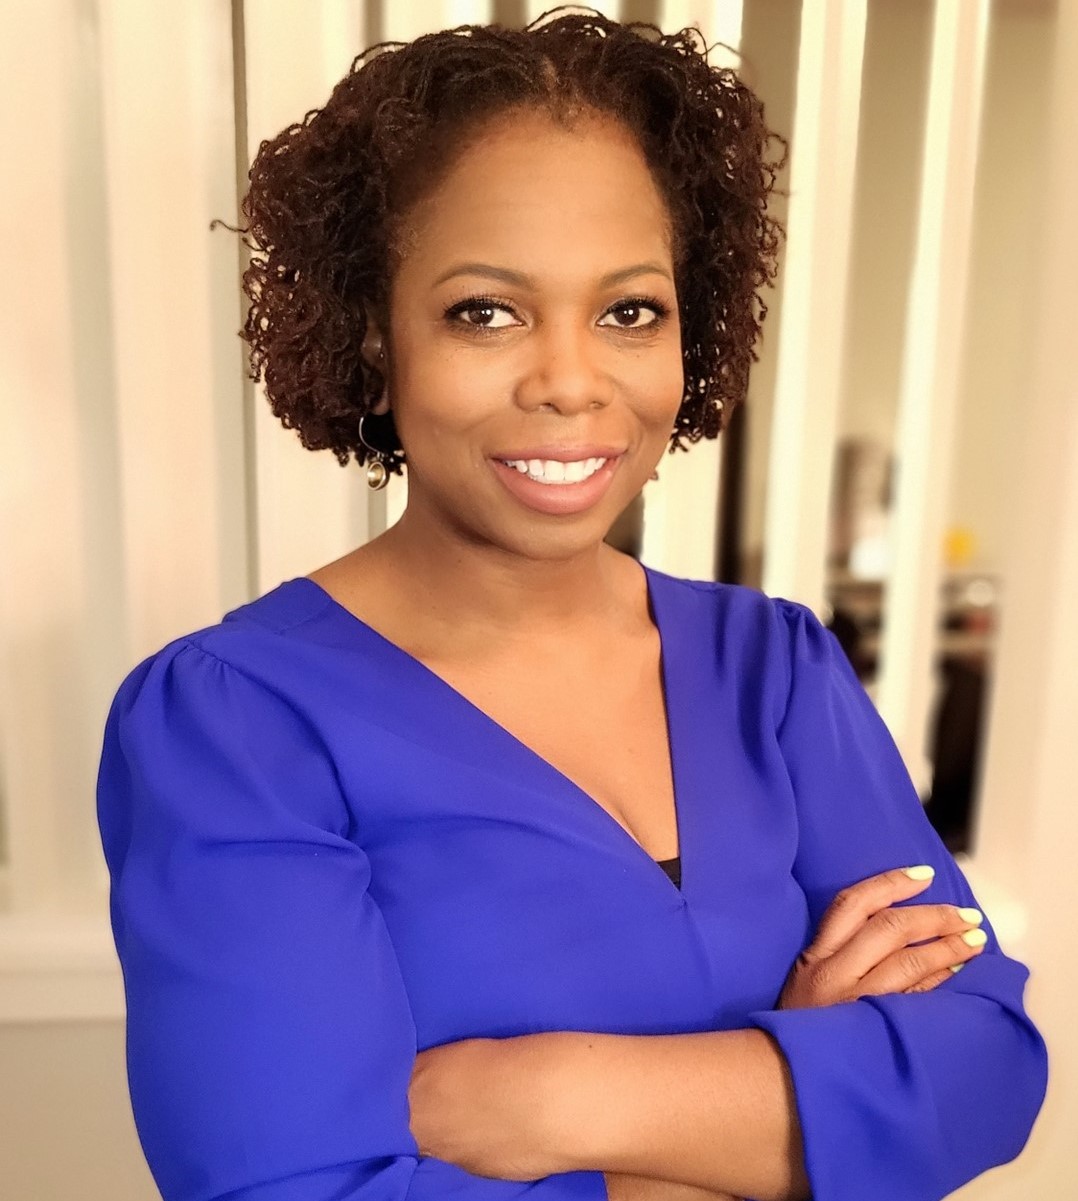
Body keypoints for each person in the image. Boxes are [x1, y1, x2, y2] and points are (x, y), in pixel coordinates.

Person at [95, 9, 1047, 1201]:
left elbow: (983, 1065)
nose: (568, 380)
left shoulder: (774, 668)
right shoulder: (234, 722)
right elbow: (294, 1190)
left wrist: (545, 1097)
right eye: (482, 311)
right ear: (372, 340)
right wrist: (790, 1100)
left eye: (629, 309)